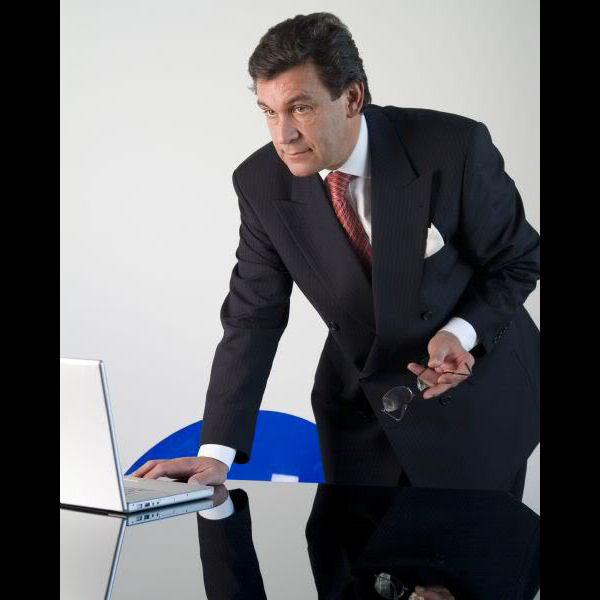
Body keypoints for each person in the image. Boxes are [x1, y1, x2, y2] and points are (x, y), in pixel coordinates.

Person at [134, 12, 540, 499]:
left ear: (351, 98)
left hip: (474, 405)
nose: (282, 135)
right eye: (268, 112)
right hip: (361, 417)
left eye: (300, 108)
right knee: (346, 550)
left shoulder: (453, 147)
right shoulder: (260, 183)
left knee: (469, 548)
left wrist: (461, 332)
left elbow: (519, 260)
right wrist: (215, 452)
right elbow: (252, 316)